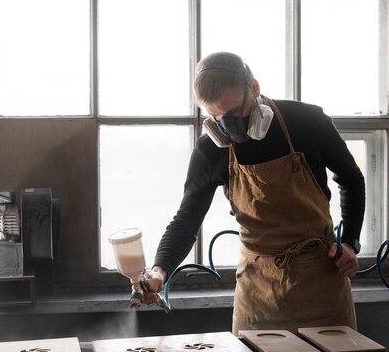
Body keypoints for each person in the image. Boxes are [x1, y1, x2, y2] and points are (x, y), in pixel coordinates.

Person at [143, 51, 365, 335]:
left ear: (254, 88)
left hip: (320, 281)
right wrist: (159, 270)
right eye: (217, 118)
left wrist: (349, 243)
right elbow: (187, 219)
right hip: (257, 291)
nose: (229, 127)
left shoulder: (307, 121)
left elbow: (352, 179)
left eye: (235, 113)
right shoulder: (211, 149)